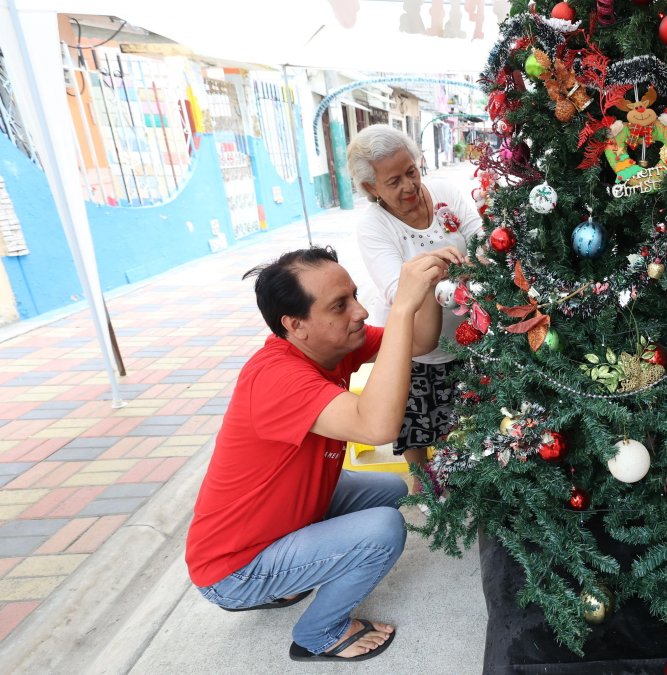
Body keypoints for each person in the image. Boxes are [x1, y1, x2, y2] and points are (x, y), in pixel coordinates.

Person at [185, 243, 464, 662]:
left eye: (354, 295)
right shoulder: (276, 377)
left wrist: (425, 288)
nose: (360, 312)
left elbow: (420, 343)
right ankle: (319, 633)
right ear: (296, 325)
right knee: (383, 529)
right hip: (232, 569)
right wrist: (402, 305)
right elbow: (378, 426)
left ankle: (295, 572)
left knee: (389, 489)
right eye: (340, 305)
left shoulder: (332, 345)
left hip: (279, 523)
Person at [348, 124, 484, 479]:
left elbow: (480, 238)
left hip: (469, 336)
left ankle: (467, 476)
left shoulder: (443, 192)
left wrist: (482, 259)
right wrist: (442, 269)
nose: (409, 186)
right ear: (370, 188)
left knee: (468, 416)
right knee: (416, 423)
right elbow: (398, 290)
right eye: (394, 182)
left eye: (411, 172)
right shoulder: (373, 227)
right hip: (415, 346)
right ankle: (425, 486)